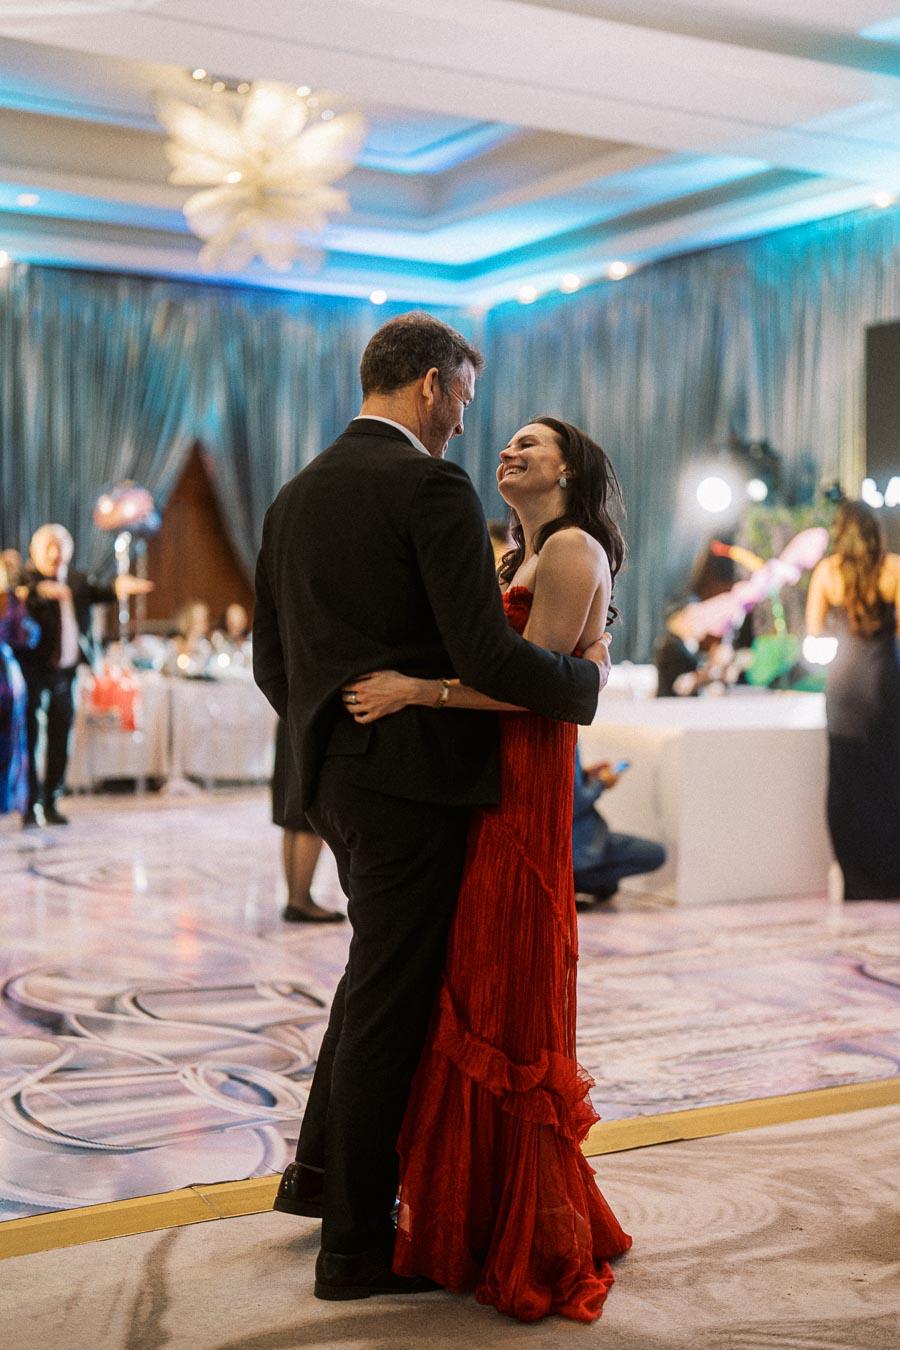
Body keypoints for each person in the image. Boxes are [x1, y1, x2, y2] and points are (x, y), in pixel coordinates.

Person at [253, 312, 611, 1304]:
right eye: (462, 396)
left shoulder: (291, 496)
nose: (464, 420)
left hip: (337, 783)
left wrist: (332, 743)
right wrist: (584, 685)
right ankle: (354, 1248)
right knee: (393, 1003)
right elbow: (485, 653)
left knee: (373, 976)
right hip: (415, 785)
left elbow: (271, 664)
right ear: (429, 385)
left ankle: (317, 1176)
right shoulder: (430, 486)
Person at [340, 415, 632, 1321]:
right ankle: (473, 1210)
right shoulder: (517, 554)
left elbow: (530, 686)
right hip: (484, 778)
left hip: (522, 779)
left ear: (569, 471)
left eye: (531, 444)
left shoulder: (571, 547)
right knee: (475, 976)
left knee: (505, 977)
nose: (509, 451)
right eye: (506, 442)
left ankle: (514, 1222)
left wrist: (416, 690)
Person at [16, 524, 152, 827]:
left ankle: (51, 801)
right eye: (48, 547)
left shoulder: (78, 581)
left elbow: (104, 591)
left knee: (61, 737)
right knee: (31, 739)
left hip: (67, 673)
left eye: (60, 546)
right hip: (33, 673)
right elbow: (17, 594)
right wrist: (37, 591)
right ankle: (30, 804)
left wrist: (120, 586)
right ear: (35, 552)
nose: (55, 553)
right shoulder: (26, 581)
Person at [805, 500, 900, 900]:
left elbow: (814, 632)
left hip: (843, 688)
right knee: (888, 780)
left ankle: (856, 882)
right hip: (885, 685)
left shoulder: (827, 572)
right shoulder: (894, 568)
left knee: (845, 782)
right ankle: (889, 879)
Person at [572, 746, 666, 906]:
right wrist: (600, 783)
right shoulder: (561, 733)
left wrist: (584, 775)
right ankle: (576, 880)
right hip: (581, 843)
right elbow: (572, 801)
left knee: (610, 887)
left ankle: (581, 879)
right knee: (655, 855)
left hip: (585, 840)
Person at [272, 719, 344, 923]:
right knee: (309, 817)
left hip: (290, 720)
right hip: (310, 725)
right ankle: (300, 901)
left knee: (292, 818)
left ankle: (296, 898)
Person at [1, 558, 39, 818]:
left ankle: (7, 799)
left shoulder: (9, 600)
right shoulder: (10, 601)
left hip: (6, 685)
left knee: (8, 747)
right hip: (6, 681)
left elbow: (29, 636)